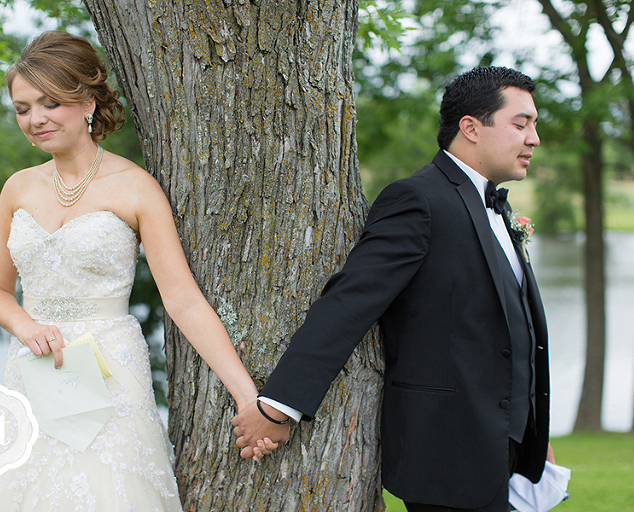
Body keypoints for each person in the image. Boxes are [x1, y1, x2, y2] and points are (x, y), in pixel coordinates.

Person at [0, 30, 273, 511]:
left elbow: (183, 300)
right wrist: (24, 324)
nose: (36, 119)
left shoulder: (135, 187)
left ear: (87, 101)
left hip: (110, 370)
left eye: (50, 103)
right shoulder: (17, 189)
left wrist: (247, 395)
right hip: (34, 370)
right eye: (23, 108)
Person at [232, 66, 556, 511]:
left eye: (534, 125)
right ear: (471, 128)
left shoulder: (496, 208)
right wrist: (279, 406)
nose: (534, 138)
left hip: (504, 446)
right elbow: (349, 303)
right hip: (447, 458)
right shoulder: (417, 200)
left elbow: (506, 330)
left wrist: (532, 428)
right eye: (521, 124)